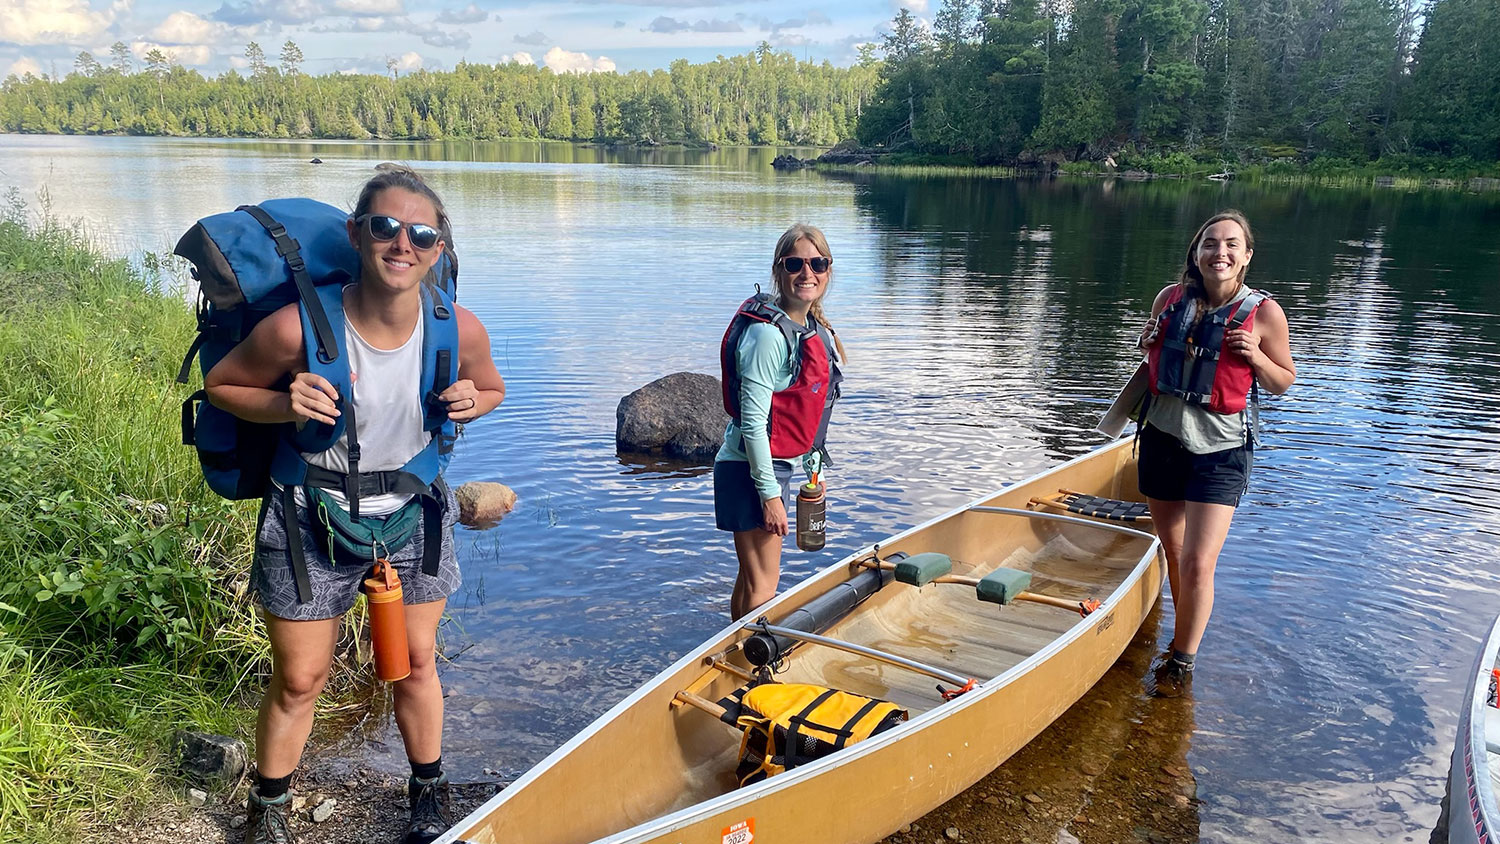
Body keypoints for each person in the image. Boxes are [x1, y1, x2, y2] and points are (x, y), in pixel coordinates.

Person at [204, 165, 505, 844]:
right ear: (357, 234)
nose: (402, 243)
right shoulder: (295, 329)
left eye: (421, 233)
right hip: (309, 511)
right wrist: (283, 403)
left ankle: (427, 795)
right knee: (302, 678)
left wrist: (471, 402)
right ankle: (271, 813)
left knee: (418, 662)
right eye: (385, 226)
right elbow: (223, 385)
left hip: (413, 514)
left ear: (437, 250)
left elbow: (490, 387)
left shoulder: (456, 328)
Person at [1137, 209, 1295, 697]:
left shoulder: (1264, 313)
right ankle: (1185, 632)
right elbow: (1153, 358)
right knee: (1175, 551)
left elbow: (1283, 383)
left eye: (1230, 244)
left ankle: (1181, 660)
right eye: (1209, 243)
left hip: (1220, 450)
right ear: (1196, 252)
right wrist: (1145, 343)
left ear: (1246, 255)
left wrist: (1256, 356)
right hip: (1163, 437)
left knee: (1200, 563)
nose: (1218, 253)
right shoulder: (1170, 299)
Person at [715, 224, 846, 620]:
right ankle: (755, 675)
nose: (807, 273)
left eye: (817, 263)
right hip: (752, 470)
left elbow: (808, 416)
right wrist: (771, 497)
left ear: (827, 269)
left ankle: (735, 659)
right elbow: (754, 425)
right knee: (764, 586)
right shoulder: (767, 338)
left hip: (774, 469)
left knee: (751, 580)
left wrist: (813, 472)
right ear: (779, 270)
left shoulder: (812, 329)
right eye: (795, 263)